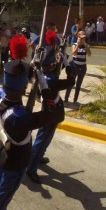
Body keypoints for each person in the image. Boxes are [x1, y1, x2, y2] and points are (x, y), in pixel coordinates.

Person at [0, 35, 61, 210]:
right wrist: (41, 77)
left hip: (5, 149)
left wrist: (30, 72)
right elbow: (50, 111)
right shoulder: (20, 116)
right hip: (16, 157)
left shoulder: (0, 94)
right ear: (23, 86)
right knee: (6, 191)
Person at [26, 30, 76, 184]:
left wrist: (60, 50)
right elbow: (71, 80)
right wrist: (66, 62)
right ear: (49, 66)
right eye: (54, 63)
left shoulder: (42, 74)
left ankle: (38, 156)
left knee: (44, 138)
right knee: (43, 139)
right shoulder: (51, 80)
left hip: (49, 108)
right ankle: (31, 168)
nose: (56, 64)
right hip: (51, 111)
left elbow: (40, 65)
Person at [65, 31, 91, 104]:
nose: (83, 39)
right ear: (78, 37)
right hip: (74, 66)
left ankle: (75, 100)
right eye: (81, 38)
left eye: (84, 38)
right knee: (71, 83)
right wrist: (78, 45)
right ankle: (66, 99)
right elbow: (74, 53)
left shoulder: (86, 45)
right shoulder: (74, 45)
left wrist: (86, 46)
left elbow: (89, 54)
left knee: (78, 85)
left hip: (82, 67)